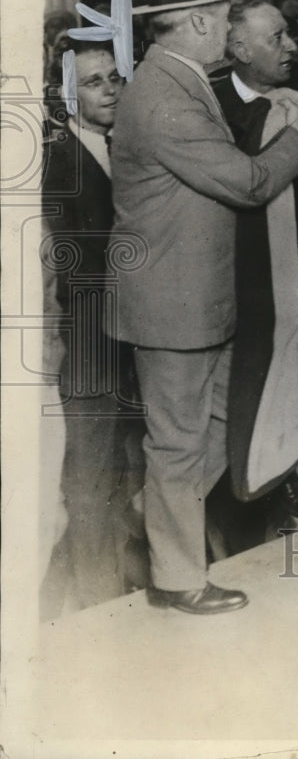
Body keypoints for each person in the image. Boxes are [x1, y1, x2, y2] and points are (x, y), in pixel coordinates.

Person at [108, 0, 298, 615]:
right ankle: (178, 579)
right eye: (224, 18)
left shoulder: (183, 78)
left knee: (219, 423)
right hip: (173, 304)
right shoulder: (167, 97)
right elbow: (247, 182)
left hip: (198, 298)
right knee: (177, 440)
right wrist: (296, 134)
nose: (230, 30)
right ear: (197, 20)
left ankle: (155, 519)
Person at [210, 0, 298, 519]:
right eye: (276, 38)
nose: (291, 46)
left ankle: (289, 475)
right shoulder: (212, 105)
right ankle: (273, 486)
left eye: (288, 34)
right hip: (241, 280)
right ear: (239, 47)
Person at [41, 39, 144, 610]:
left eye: (114, 77)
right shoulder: (57, 163)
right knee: (88, 476)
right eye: (94, 82)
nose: (110, 90)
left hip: (126, 333)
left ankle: (124, 575)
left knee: (128, 465)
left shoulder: (120, 144)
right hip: (87, 340)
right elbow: (69, 266)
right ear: (64, 95)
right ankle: (97, 600)